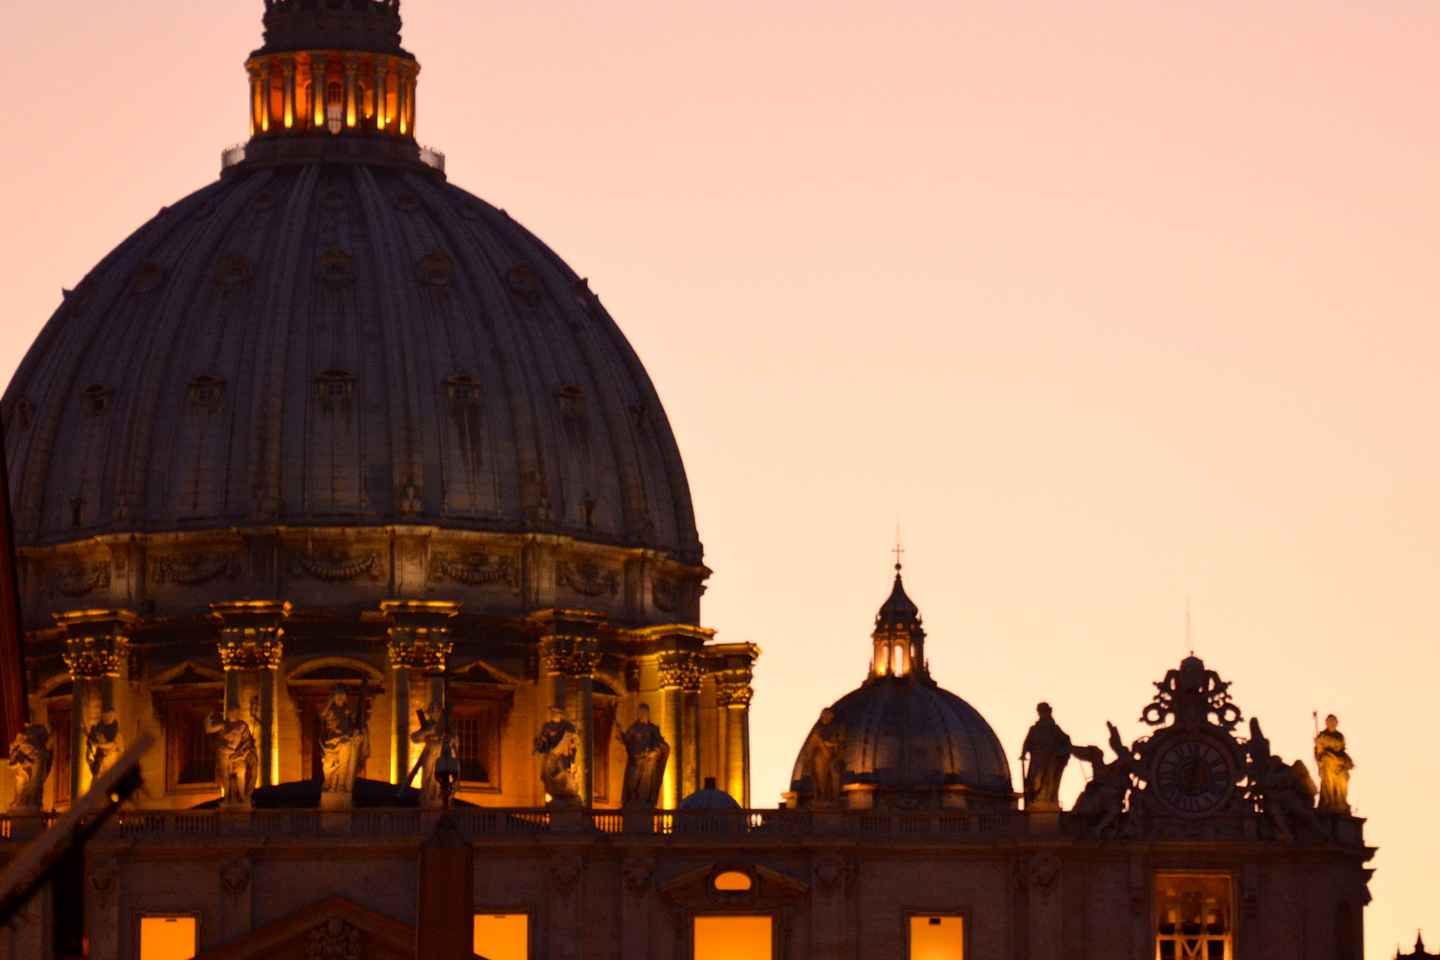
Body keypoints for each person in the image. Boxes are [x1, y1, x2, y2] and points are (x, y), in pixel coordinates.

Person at [319, 685, 369, 796]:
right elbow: (322, 715)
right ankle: (330, 785)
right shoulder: (330, 709)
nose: (340, 699)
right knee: (329, 767)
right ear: (334, 697)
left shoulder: (347, 711)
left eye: (342, 696)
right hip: (331, 743)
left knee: (344, 764)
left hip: (345, 740)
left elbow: (354, 724)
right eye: (338, 696)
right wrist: (330, 701)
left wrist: (357, 731)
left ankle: (341, 786)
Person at [1021, 702, 1071, 810]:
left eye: (1044, 711)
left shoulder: (1054, 729)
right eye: (1040, 712)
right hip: (1037, 760)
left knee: (1047, 781)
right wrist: (1023, 753)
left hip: (1049, 760)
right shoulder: (1034, 729)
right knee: (1034, 781)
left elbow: (1066, 740)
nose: (1042, 714)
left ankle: (1045, 801)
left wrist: (1063, 750)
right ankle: (1035, 801)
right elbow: (1027, 742)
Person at [410, 701, 459, 809]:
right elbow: (414, 738)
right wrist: (426, 731)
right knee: (427, 778)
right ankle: (427, 798)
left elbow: (455, 740)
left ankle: (440, 798)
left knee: (440, 777)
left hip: (442, 754)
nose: (433, 714)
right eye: (431, 712)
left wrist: (449, 738)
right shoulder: (428, 726)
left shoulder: (446, 726)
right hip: (429, 754)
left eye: (436, 712)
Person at [618, 703, 669, 809]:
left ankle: (645, 801)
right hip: (635, 760)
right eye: (640, 712)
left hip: (649, 761)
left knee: (646, 783)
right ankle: (631, 800)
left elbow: (660, 743)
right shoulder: (634, 728)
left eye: (644, 712)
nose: (642, 714)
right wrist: (620, 734)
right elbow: (626, 740)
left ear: (648, 713)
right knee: (633, 780)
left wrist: (655, 751)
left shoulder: (653, 729)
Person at [207, 706, 259, 806]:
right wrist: (208, 718)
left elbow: (247, 741)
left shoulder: (242, 725)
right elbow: (209, 729)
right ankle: (226, 798)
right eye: (230, 711)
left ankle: (243, 797)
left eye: (234, 711)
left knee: (241, 774)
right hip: (224, 753)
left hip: (237, 754)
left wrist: (243, 752)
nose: (232, 713)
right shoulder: (223, 725)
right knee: (225, 776)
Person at [534, 707, 580, 805]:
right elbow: (544, 743)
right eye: (553, 712)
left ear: (561, 713)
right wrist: (541, 744)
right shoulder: (547, 726)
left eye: (557, 712)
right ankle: (559, 792)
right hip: (553, 755)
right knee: (551, 775)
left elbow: (575, 740)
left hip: (563, 755)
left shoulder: (568, 726)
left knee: (563, 775)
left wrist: (572, 744)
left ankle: (565, 791)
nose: (554, 714)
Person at [803, 708, 847, 805]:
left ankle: (832, 797)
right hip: (821, 757)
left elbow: (841, 742)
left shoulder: (837, 728)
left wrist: (831, 745)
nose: (825, 718)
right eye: (823, 716)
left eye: (827, 716)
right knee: (820, 776)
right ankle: (822, 796)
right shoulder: (817, 731)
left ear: (831, 716)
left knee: (835, 776)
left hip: (833, 757)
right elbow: (812, 744)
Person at [1314, 713, 1354, 814]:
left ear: (1336, 723)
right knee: (1328, 776)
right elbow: (1318, 751)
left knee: (1343, 778)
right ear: (1326, 723)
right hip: (1327, 762)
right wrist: (1319, 747)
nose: (1331, 723)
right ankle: (1329, 801)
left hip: (1339, 761)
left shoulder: (1339, 736)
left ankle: (1341, 802)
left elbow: (1339, 745)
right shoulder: (1321, 735)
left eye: (1333, 721)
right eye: (1329, 721)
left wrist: (1324, 740)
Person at [8, 724, 52, 812]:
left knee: (35, 784)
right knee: (25, 785)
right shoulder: (23, 744)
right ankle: (24, 803)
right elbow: (13, 762)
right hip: (25, 771)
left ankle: (31, 802)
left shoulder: (39, 751)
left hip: (34, 766)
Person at [85, 709, 125, 780]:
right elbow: (89, 757)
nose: (108, 718)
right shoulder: (98, 733)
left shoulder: (116, 736)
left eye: (110, 716)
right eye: (106, 716)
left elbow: (118, 749)